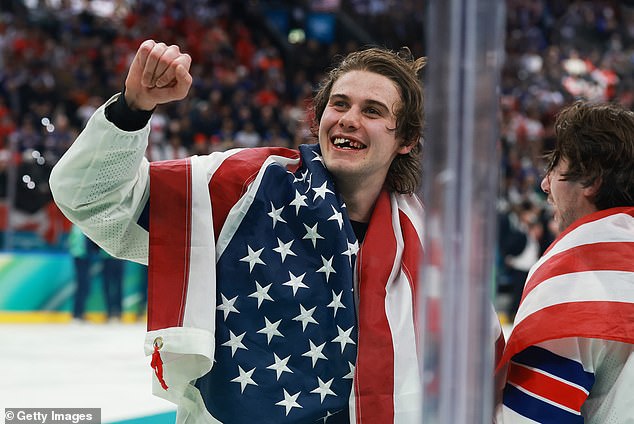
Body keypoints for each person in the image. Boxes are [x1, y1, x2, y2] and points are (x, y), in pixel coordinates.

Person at [50, 39, 427, 423]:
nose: (348, 119)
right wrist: (133, 108)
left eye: (372, 110)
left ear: (406, 139)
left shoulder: (428, 246)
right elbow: (92, 199)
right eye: (340, 104)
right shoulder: (243, 186)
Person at [495, 101, 634, 423]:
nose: (545, 184)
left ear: (590, 179)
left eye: (556, 166)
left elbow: (532, 419)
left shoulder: (572, 278)